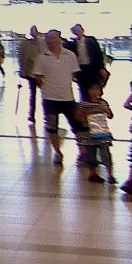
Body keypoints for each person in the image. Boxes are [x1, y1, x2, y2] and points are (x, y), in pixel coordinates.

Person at [33, 29, 80, 166]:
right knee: (52, 126)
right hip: (49, 98)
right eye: (49, 39)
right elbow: (37, 76)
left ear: (59, 39)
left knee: (77, 124)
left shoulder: (70, 55)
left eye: (54, 38)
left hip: (67, 97)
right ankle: (58, 152)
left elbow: (74, 73)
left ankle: (83, 151)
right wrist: (47, 87)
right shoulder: (42, 57)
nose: (51, 41)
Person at [73, 79, 114, 184]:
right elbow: (77, 117)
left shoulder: (103, 103)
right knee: (91, 155)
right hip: (88, 133)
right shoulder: (83, 104)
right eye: (92, 89)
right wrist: (87, 113)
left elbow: (110, 115)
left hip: (102, 132)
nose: (95, 92)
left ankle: (110, 174)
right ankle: (93, 174)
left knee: (106, 154)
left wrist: (106, 110)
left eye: (97, 89)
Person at [69, 24, 109, 95]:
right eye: (76, 31)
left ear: (82, 30)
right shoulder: (73, 44)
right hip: (81, 69)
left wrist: (101, 68)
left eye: (79, 30)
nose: (78, 32)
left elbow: (98, 54)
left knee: (94, 85)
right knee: (82, 88)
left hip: (92, 67)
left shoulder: (90, 40)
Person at [17, 26, 43, 130]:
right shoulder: (26, 44)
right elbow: (22, 58)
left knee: (43, 95)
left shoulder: (43, 43)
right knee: (33, 94)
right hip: (31, 73)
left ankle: (44, 114)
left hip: (42, 73)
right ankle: (31, 114)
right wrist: (22, 70)